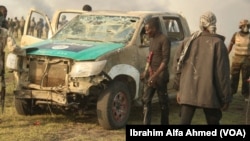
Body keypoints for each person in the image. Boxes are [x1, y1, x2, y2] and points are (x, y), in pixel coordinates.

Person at [172, 11, 232, 125]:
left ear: (201, 24)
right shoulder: (218, 44)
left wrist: (179, 90)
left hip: (187, 91)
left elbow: (177, 67)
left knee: (184, 123)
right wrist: (226, 98)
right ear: (214, 23)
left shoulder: (188, 42)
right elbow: (222, 75)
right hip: (209, 94)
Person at [140, 17, 171, 125]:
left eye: (148, 29)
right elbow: (150, 57)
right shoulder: (152, 39)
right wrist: (146, 72)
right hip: (151, 74)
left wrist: (155, 76)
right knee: (146, 100)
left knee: (163, 103)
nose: (146, 32)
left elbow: (165, 60)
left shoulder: (164, 39)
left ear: (154, 28)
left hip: (161, 76)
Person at [228, 19, 250, 101]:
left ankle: (246, 95)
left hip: (246, 60)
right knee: (234, 77)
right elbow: (231, 44)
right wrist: (226, 53)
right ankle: (231, 93)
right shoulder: (236, 35)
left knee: (245, 78)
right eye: (244, 26)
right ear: (241, 26)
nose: (246, 27)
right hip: (236, 59)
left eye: (247, 26)